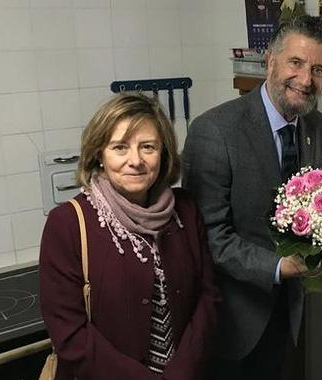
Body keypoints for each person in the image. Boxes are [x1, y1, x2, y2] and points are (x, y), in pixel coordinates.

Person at [182, 15, 322, 380]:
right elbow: (208, 235)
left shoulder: (320, 127)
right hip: (230, 320)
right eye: (296, 63)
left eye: (318, 69)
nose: (306, 80)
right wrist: (277, 267)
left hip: (290, 309)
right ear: (270, 60)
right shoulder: (214, 131)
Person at [39, 93, 220, 380]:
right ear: (99, 153)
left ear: (163, 152)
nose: (135, 160)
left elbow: (209, 299)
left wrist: (181, 373)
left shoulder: (185, 209)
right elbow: (69, 333)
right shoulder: (68, 224)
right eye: (120, 147)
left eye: (147, 147)